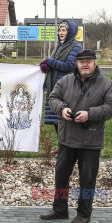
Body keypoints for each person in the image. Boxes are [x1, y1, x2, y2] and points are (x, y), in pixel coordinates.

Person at [40, 49, 112, 223]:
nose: (85, 64)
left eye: (88, 61)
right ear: (76, 63)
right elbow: (53, 98)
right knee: (61, 175)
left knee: (87, 179)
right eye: (81, 61)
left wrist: (89, 114)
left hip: (91, 140)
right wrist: (62, 109)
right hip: (67, 139)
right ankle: (60, 209)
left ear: (95, 63)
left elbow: (111, 107)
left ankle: (84, 213)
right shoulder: (65, 81)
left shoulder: (107, 84)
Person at [40, 20, 82, 148]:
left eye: (64, 30)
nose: (60, 33)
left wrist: (50, 62)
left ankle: (66, 147)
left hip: (66, 87)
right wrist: (47, 66)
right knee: (55, 119)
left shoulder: (75, 46)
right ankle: (61, 146)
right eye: (59, 30)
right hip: (54, 86)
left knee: (63, 119)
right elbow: (55, 64)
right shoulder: (59, 46)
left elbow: (69, 65)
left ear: (71, 32)